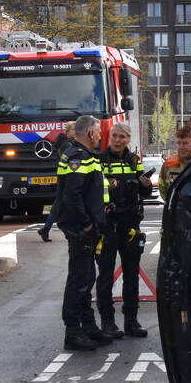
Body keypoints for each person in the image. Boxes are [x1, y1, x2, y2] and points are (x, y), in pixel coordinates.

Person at [56, 115, 110, 351]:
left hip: (87, 228)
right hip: (81, 230)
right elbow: (72, 195)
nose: (100, 136)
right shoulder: (79, 157)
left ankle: (88, 327)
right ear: (90, 133)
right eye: (98, 131)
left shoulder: (81, 155)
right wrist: (86, 224)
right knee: (79, 280)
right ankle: (73, 332)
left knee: (87, 278)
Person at [96, 122, 152, 339]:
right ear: (109, 137)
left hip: (130, 225)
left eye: (122, 137)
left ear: (129, 139)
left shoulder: (134, 161)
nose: (117, 140)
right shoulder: (100, 160)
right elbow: (93, 190)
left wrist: (145, 185)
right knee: (105, 275)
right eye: (115, 136)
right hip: (108, 225)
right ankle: (108, 322)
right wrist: (106, 187)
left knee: (131, 275)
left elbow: (144, 193)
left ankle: (132, 321)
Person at [38, 120, 76, 242]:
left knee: (59, 206)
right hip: (66, 178)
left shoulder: (66, 143)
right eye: (73, 130)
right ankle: (66, 232)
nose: (76, 132)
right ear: (67, 131)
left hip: (64, 177)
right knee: (63, 206)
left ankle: (46, 229)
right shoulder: (67, 145)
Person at [159, 126, 191, 201]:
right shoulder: (169, 163)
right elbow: (162, 186)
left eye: (185, 143)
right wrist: (170, 203)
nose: (181, 147)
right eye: (179, 143)